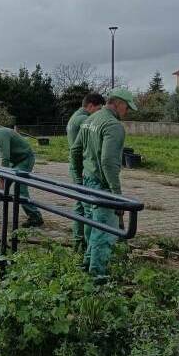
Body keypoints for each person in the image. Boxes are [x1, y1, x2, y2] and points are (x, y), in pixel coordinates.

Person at [70, 87, 137, 279]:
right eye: (127, 108)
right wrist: (116, 194)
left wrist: (78, 179)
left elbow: (75, 151)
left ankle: (87, 262)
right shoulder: (113, 126)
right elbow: (108, 161)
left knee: (94, 224)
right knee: (105, 230)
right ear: (118, 104)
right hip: (102, 183)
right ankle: (97, 276)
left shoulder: (90, 119)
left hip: (89, 179)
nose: (128, 112)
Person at [0, 119, 44, 228]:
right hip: (15, 161)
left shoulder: (0, 135)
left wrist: (2, 178)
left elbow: (4, 158)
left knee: (20, 188)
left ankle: (35, 217)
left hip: (25, 159)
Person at [66, 93, 106, 251]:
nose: (99, 112)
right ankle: (85, 244)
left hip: (76, 165)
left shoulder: (75, 116)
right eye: (98, 108)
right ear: (90, 105)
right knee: (86, 207)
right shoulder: (84, 120)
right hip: (82, 167)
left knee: (80, 204)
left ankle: (78, 240)